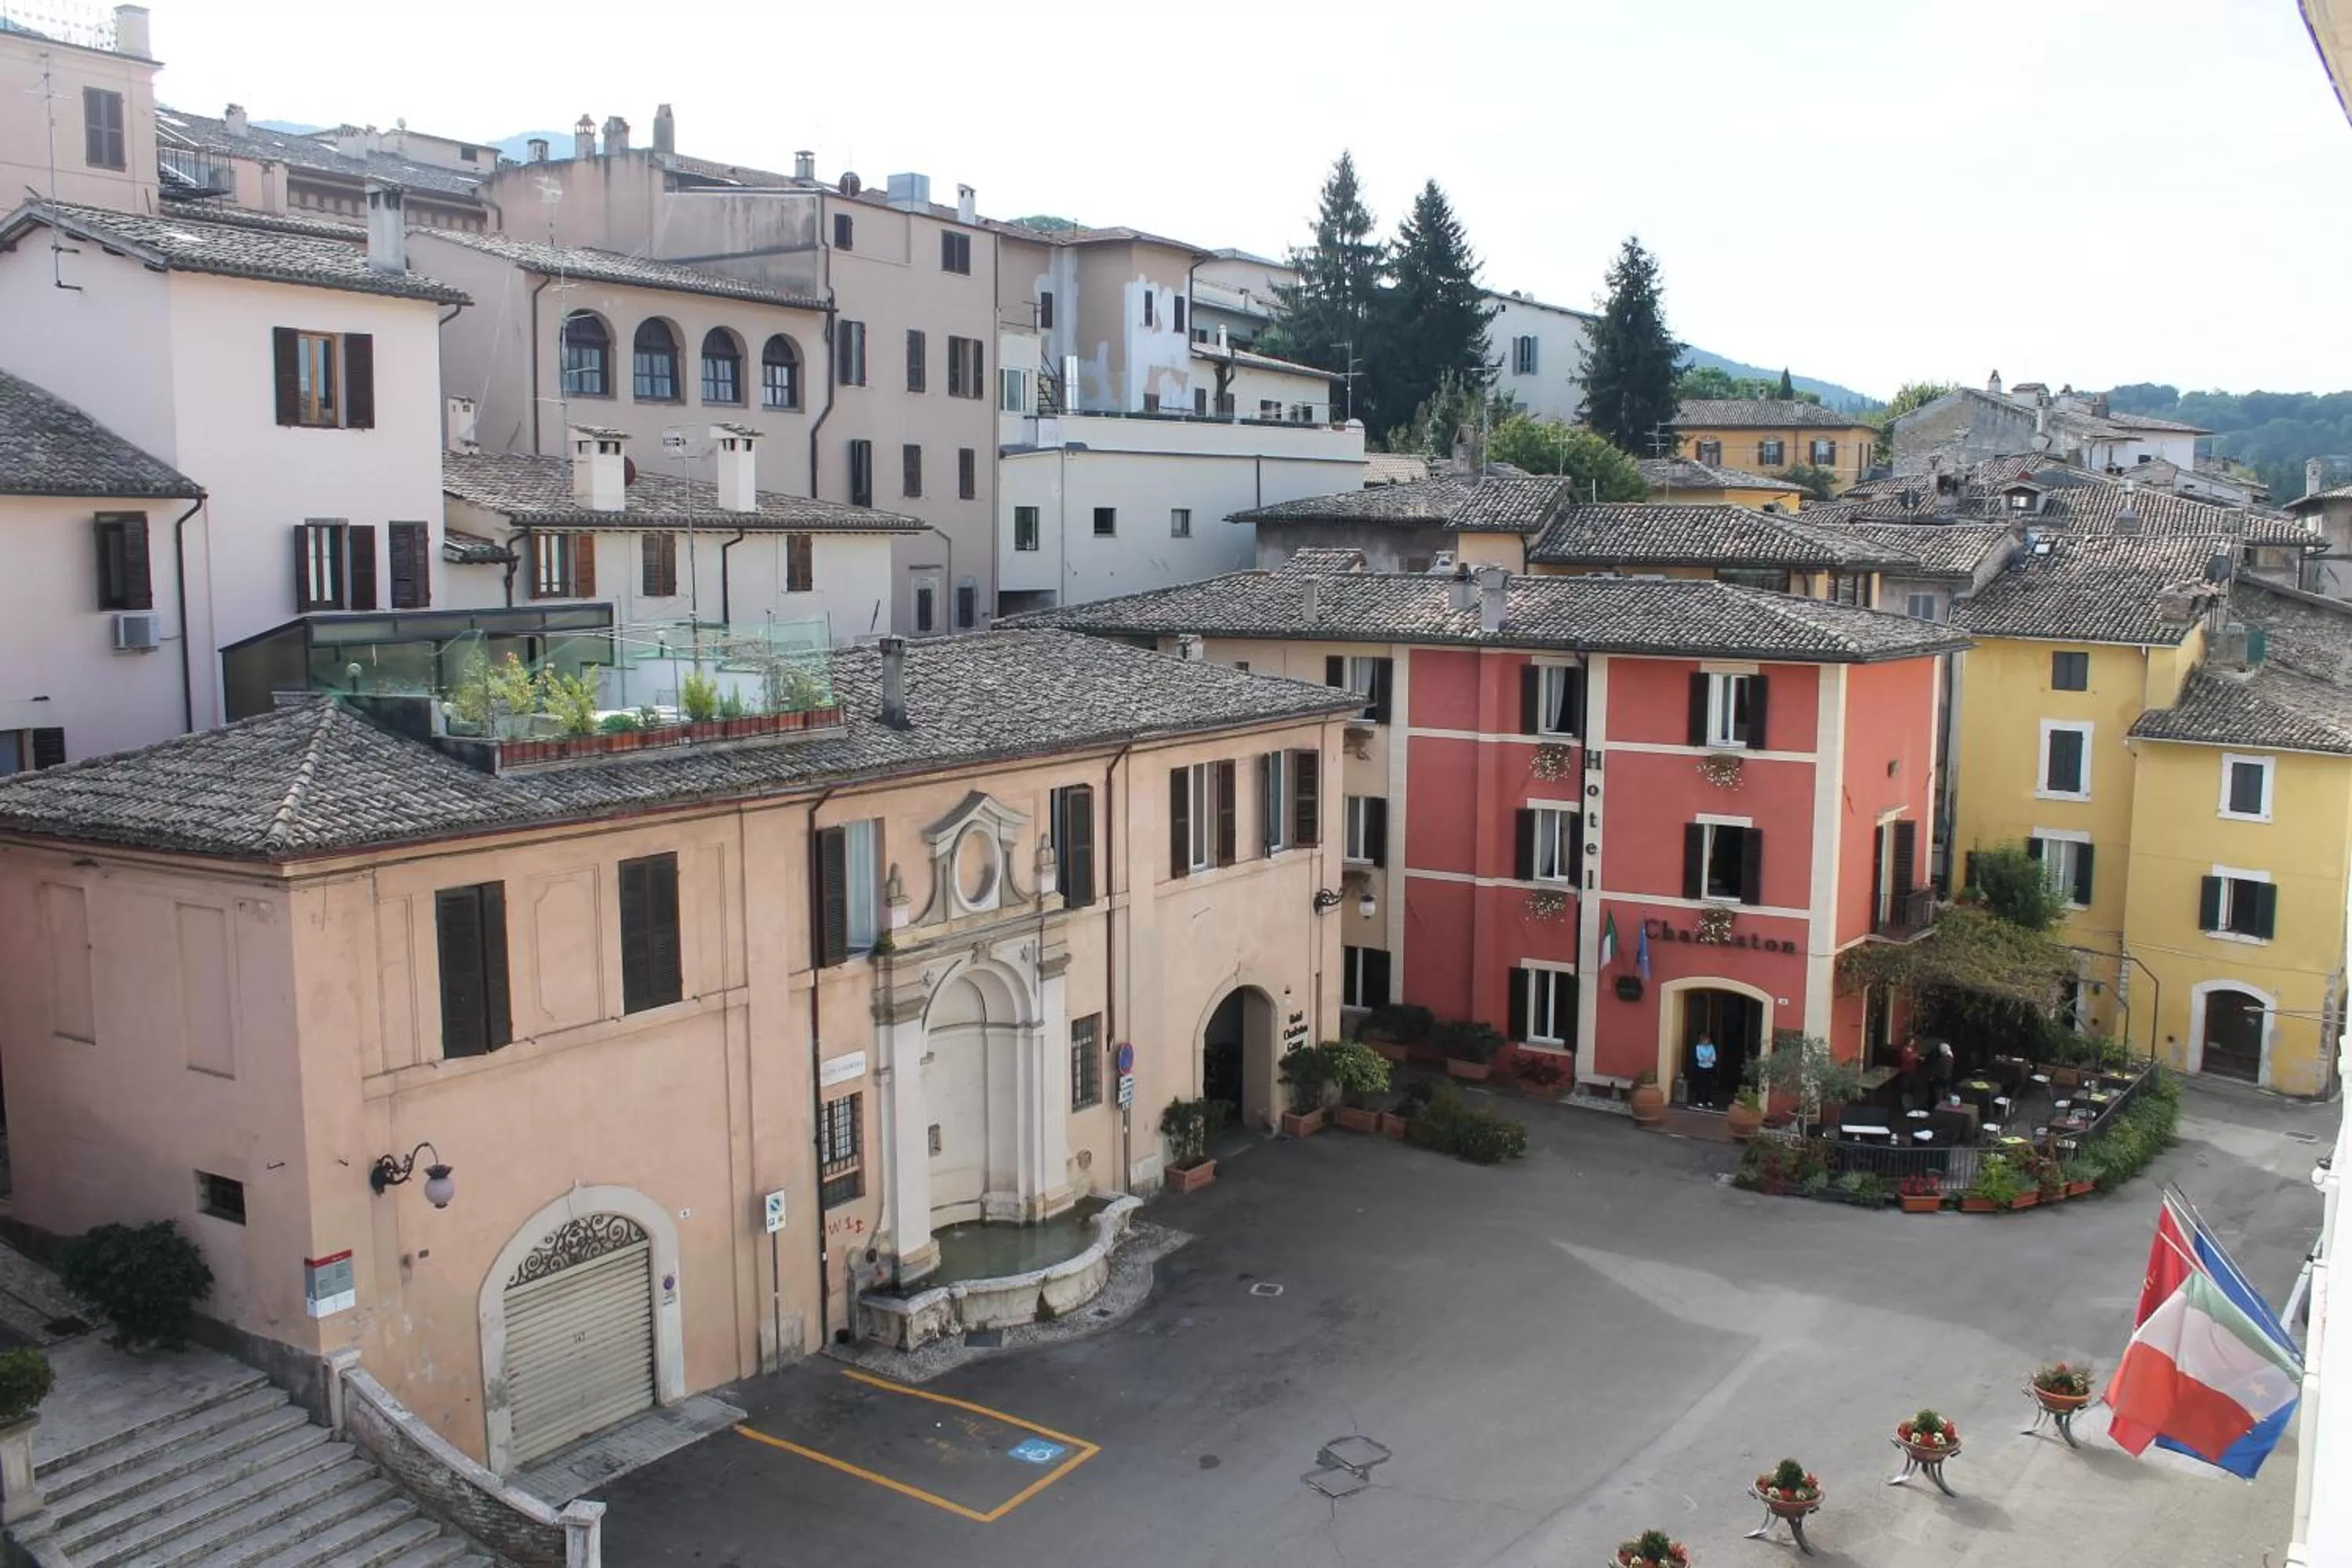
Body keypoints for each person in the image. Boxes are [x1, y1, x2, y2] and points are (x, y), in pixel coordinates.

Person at [1691, 1033, 1719, 1109]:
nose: (1706, 1041)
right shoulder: (1698, 1047)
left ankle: (1709, 1100)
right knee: (1701, 1084)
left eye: (1707, 1040)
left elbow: (1714, 1057)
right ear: (1702, 1040)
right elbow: (1699, 1058)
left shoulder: (1711, 1047)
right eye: (1704, 1040)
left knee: (1709, 1084)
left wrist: (1708, 1059)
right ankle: (1700, 1100)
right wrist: (1707, 1059)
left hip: (1710, 1067)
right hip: (1701, 1068)